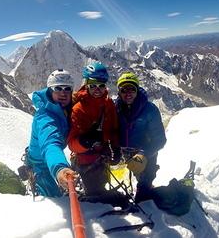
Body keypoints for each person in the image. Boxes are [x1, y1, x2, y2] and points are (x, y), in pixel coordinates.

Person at [68, 63, 126, 207]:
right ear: (86, 85)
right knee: (95, 194)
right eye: (93, 85)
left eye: (100, 85)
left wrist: (116, 149)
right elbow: (72, 142)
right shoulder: (78, 109)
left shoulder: (108, 104)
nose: (97, 90)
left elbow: (113, 129)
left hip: (103, 156)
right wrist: (86, 141)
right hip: (86, 160)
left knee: (102, 184)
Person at [115, 72, 167, 203]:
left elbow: (160, 140)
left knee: (143, 195)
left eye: (131, 89)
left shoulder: (150, 110)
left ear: (137, 90)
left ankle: (144, 188)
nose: (128, 93)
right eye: (124, 90)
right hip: (122, 151)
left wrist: (143, 154)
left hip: (144, 153)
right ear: (119, 92)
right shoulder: (114, 107)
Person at [25, 69, 77, 197]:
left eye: (67, 89)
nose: (63, 93)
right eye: (58, 88)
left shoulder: (67, 108)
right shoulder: (44, 117)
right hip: (39, 165)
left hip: (50, 160)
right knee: (56, 199)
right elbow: (50, 144)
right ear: (50, 90)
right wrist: (60, 168)